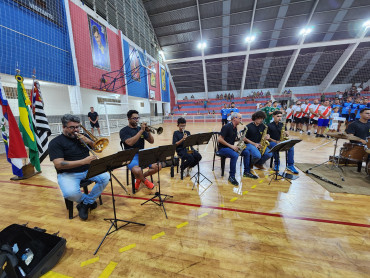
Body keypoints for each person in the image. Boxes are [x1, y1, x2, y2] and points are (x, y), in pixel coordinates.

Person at [48, 114, 109, 221]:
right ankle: (88, 202)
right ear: (63, 127)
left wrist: (89, 141)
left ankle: (85, 204)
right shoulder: (55, 142)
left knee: (105, 177)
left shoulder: (83, 136)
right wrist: (83, 162)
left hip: (88, 169)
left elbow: (98, 149)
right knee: (69, 193)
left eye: (77, 127)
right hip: (68, 173)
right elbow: (59, 164)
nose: (76, 130)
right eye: (72, 127)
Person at [119, 110, 161, 191]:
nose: (137, 120)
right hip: (130, 156)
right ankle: (144, 181)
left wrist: (148, 132)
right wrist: (141, 131)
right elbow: (130, 143)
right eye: (134, 118)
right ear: (128, 119)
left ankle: (140, 178)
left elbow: (151, 141)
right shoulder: (124, 131)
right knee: (137, 170)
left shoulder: (140, 129)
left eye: (137, 118)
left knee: (158, 166)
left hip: (142, 154)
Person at [217, 113, 252, 185]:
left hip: (230, 148)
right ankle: (231, 176)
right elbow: (219, 139)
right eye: (240, 118)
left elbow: (233, 139)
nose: (241, 120)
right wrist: (232, 146)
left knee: (247, 152)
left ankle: (246, 172)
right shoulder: (226, 127)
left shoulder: (235, 128)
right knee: (235, 155)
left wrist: (241, 139)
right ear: (234, 118)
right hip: (222, 149)